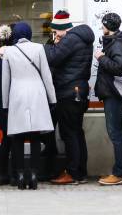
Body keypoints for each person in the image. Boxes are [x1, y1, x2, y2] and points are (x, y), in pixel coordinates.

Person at [2, 22, 56, 190]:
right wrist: (52, 99)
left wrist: (5, 104)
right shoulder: (39, 48)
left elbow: (6, 80)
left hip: (17, 93)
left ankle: (19, 174)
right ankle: (33, 174)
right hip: (37, 93)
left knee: (17, 137)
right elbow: (46, 75)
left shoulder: (9, 51)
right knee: (34, 136)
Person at [45, 10, 94, 185]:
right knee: (77, 132)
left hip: (68, 92)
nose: (55, 35)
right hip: (78, 91)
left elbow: (52, 57)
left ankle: (73, 173)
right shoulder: (82, 39)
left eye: (56, 32)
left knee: (70, 133)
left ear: (62, 28)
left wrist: (51, 45)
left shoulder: (71, 39)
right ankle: (81, 171)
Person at [95, 13, 122, 186]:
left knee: (115, 133)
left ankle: (121, 172)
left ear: (107, 26)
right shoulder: (114, 41)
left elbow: (119, 67)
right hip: (112, 93)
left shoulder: (117, 44)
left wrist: (101, 57)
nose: (102, 28)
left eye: (103, 25)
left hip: (114, 94)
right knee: (116, 132)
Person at [0, 24, 15, 185]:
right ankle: (14, 174)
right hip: (13, 104)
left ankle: (2, 174)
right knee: (14, 140)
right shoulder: (12, 60)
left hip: (1, 105)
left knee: (5, 140)